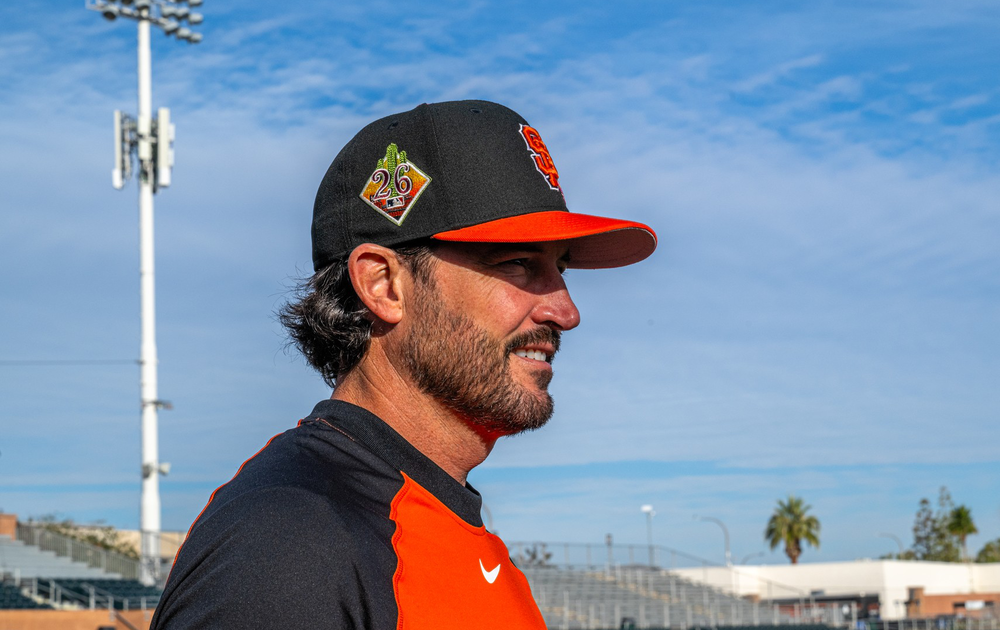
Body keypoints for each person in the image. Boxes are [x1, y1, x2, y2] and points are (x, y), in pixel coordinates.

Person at [148, 100, 656, 629]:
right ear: (384, 285)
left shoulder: (432, 526)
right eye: (519, 263)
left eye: (561, 268)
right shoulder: (290, 541)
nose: (566, 311)